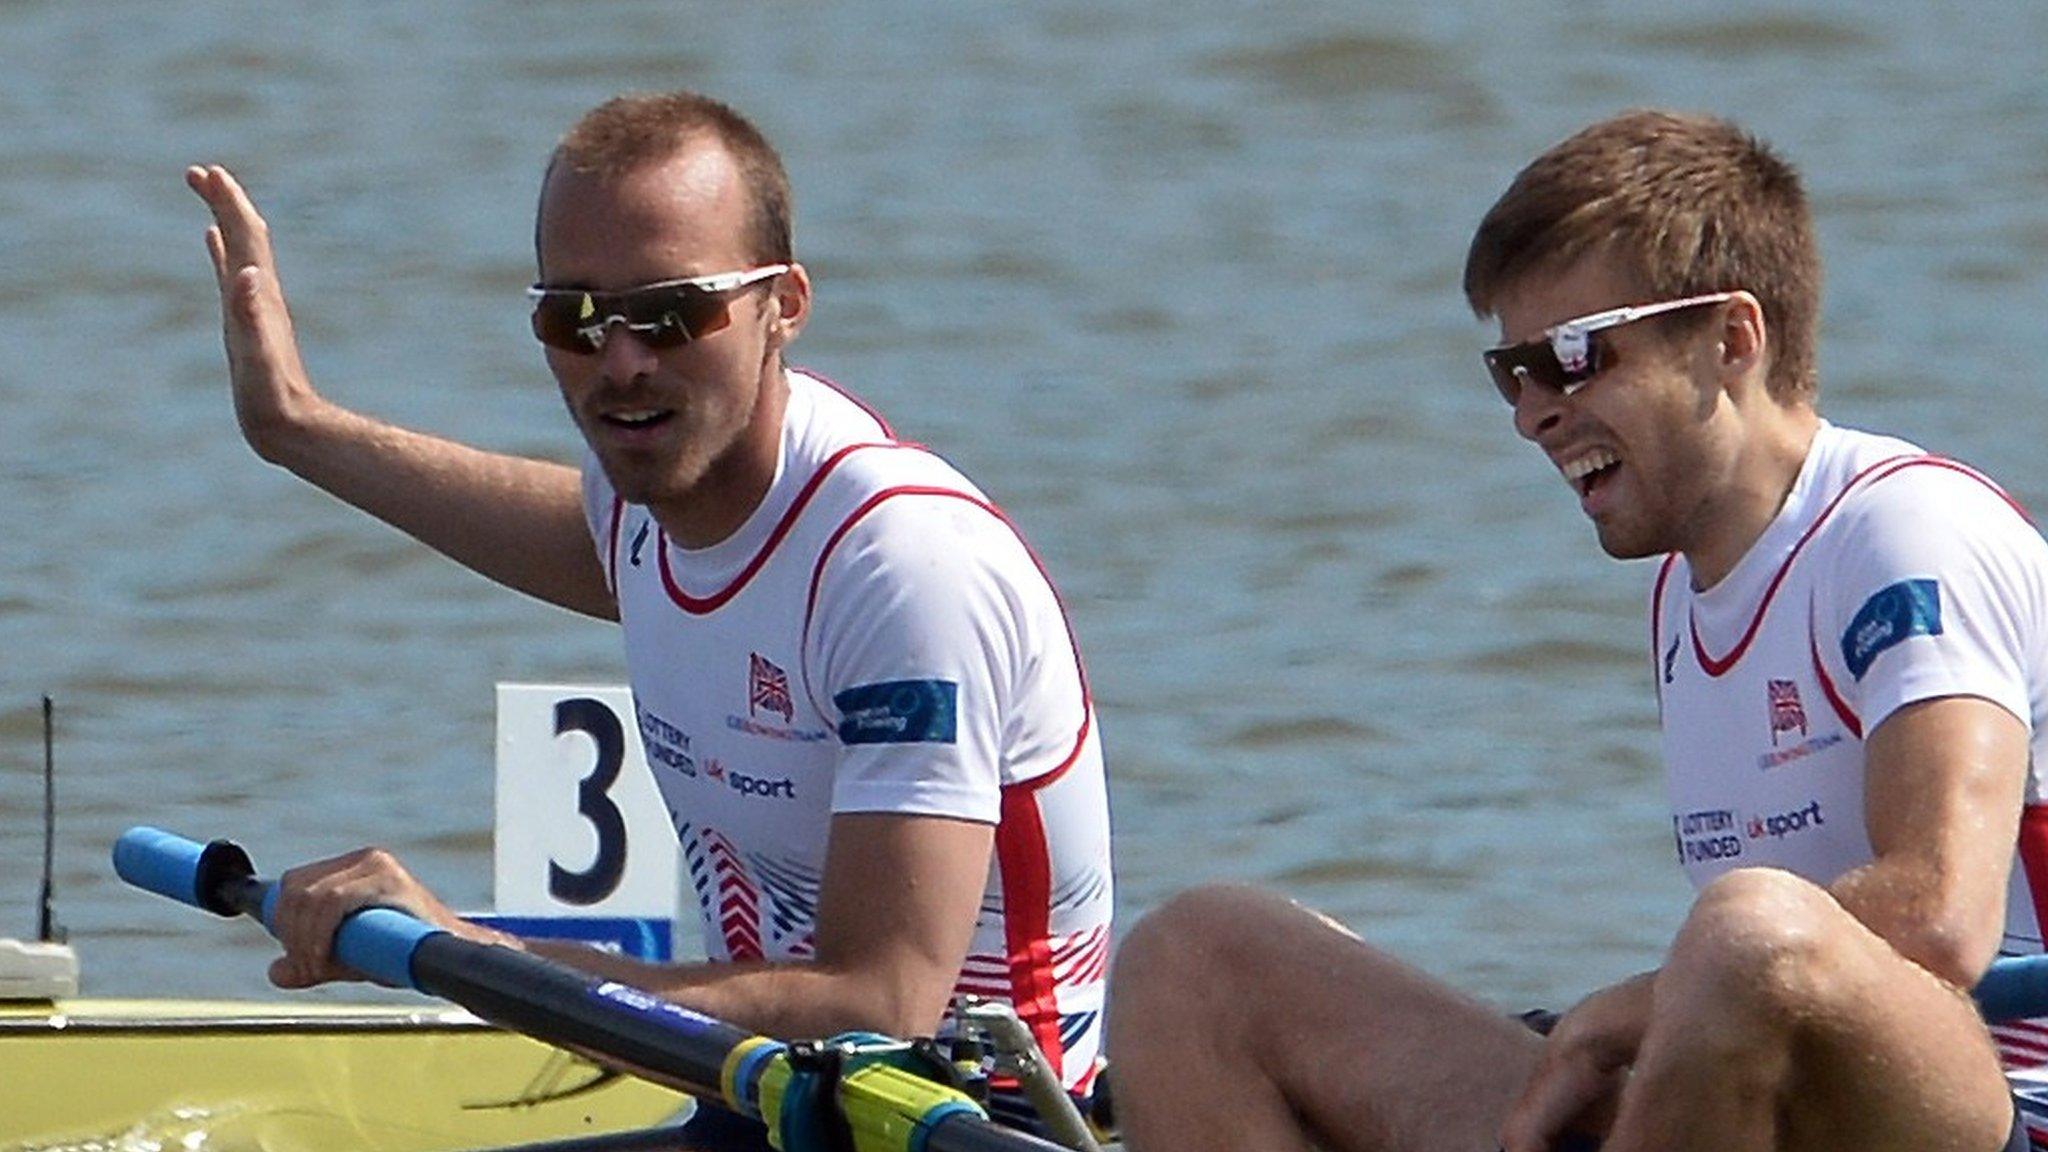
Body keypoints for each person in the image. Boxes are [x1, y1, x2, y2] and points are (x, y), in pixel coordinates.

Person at [1105, 109, 2048, 1152]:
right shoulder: (1683, 593)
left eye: (1572, 356)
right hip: (1765, 1094)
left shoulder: (1904, 534)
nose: (1530, 413)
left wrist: (1628, 1009)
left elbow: (1937, 919)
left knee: (1745, 929)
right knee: (1193, 954)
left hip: (2002, 1101)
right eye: (1510, 372)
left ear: (1731, 338)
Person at [186, 89, 1112, 1133]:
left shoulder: (898, 571)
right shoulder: (647, 510)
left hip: (966, 1120)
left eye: (672, 312)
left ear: (785, 305)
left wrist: (467, 951)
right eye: (574, 318)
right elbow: (543, 522)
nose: (621, 362)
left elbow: (878, 1003)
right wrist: (296, 428)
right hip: (771, 1108)